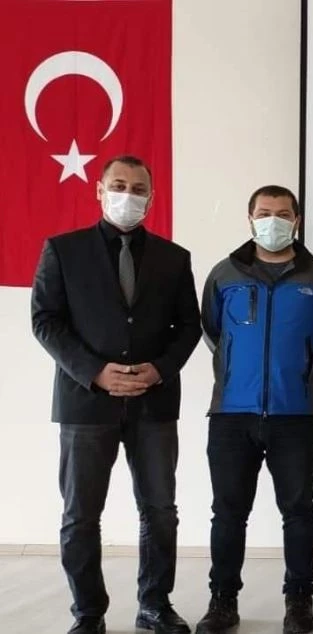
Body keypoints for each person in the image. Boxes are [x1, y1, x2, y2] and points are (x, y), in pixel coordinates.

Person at [31, 155, 202, 634]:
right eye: (119, 185)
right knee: (80, 515)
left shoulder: (174, 258)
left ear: (152, 196)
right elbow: (45, 321)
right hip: (86, 403)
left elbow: (190, 326)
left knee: (160, 511)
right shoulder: (63, 250)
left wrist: (161, 369)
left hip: (153, 403)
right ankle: (88, 613)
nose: (129, 195)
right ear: (99, 190)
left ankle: (155, 605)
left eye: (139, 188)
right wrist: (95, 372)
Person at [196, 185, 313, 634]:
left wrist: (302, 370)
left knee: (298, 511)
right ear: (250, 219)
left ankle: (299, 601)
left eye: (282, 213)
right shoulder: (224, 274)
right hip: (231, 414)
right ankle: (223, 602)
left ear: (296, 221)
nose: (273, 220)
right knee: (228, 513)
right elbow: (212, 329)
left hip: (295, 414)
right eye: (264, 213)